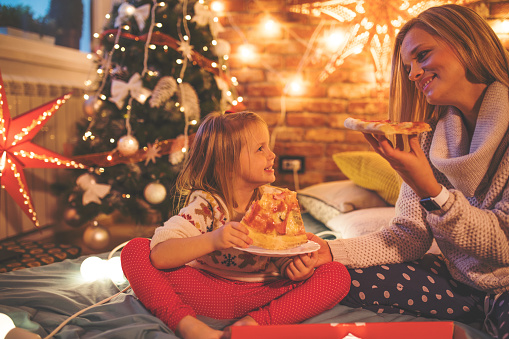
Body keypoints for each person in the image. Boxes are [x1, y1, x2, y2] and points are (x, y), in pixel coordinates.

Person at [308, 4, 509, 338]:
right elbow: (408, 235)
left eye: (423, 55)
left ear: (466, 44)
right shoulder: (428, 139)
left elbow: (504, 243)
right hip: (460, 283)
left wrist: (432, 191)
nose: (414, 73)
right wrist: (329, 251)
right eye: (408, 66)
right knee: (328, 279)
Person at [121, 111, 350, 339]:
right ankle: (187, 325)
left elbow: (282, 260)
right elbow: (160, 256)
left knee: (337, 274)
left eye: (268, 147)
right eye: (260, 148)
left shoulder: (275, 203)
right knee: (135, 250)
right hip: (205, 292)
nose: (272, 155)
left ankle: (252, 326)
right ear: (227, 161)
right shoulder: (206, 205)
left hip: (262, 293)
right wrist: (213, 240)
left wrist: (296, 268)